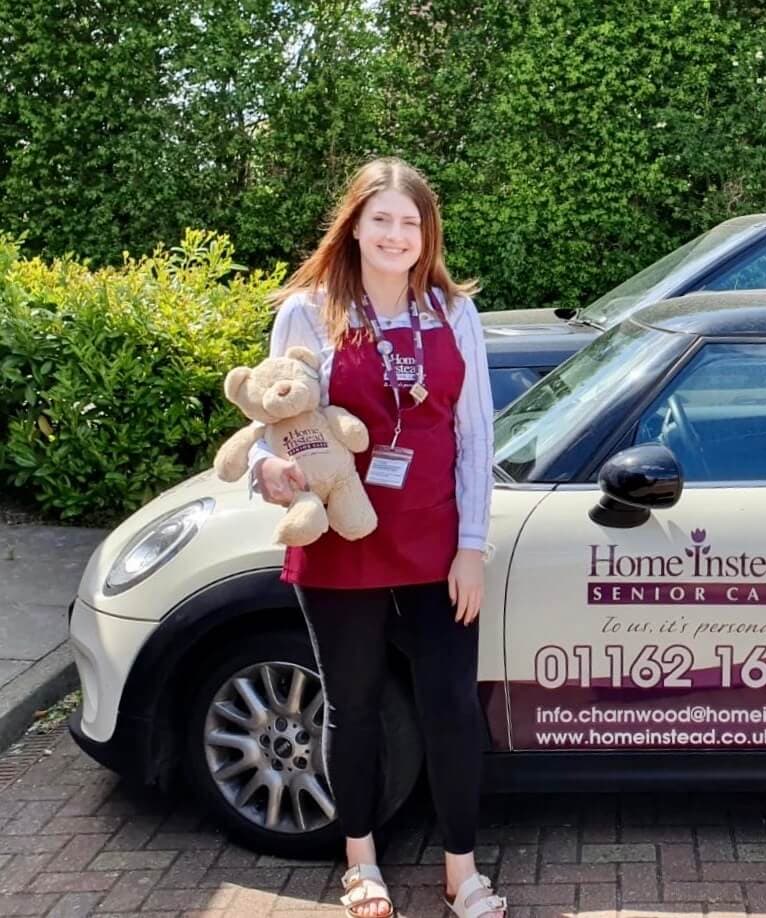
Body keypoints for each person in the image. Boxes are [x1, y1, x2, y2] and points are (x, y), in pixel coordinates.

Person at [250, 157, 503, 918]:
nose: (396, 234)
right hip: (339, 538)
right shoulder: (308, 311)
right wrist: (267, 472)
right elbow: (274, 426)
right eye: (381, 219)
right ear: (355, 225)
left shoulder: (452, 312)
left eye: (410, 221)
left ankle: (461, 869)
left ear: (427, 234)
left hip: (436, 541)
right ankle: (360, 862)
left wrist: (472, 547)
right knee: (351, 705)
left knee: (452, 703)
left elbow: (475, 435)